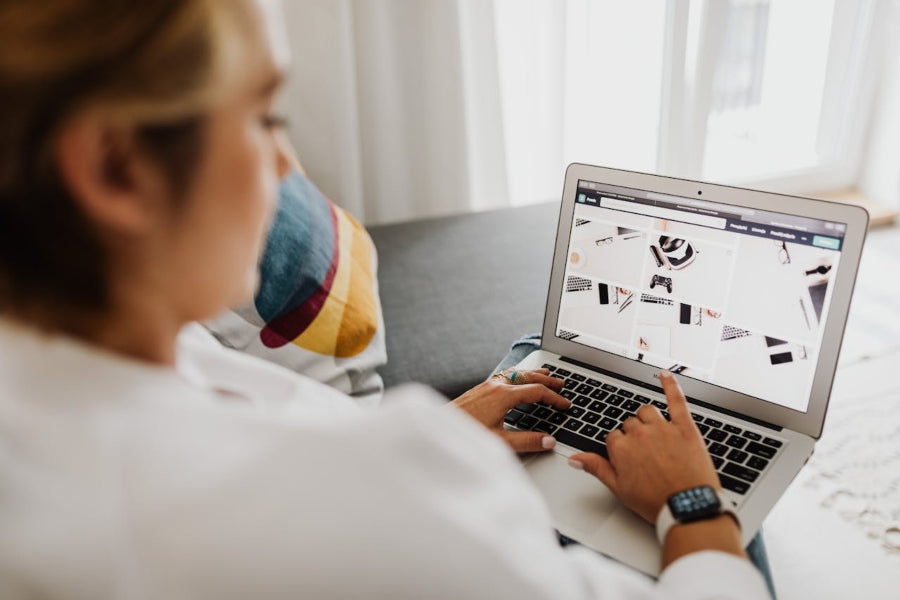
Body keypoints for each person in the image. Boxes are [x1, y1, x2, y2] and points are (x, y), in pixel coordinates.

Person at [0, 1, 771, 598]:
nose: (284, 164)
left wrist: (441, 436)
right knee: (741, 513)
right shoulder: (369, 505)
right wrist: (694, 503)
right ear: (114, 170)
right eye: (264, 115)